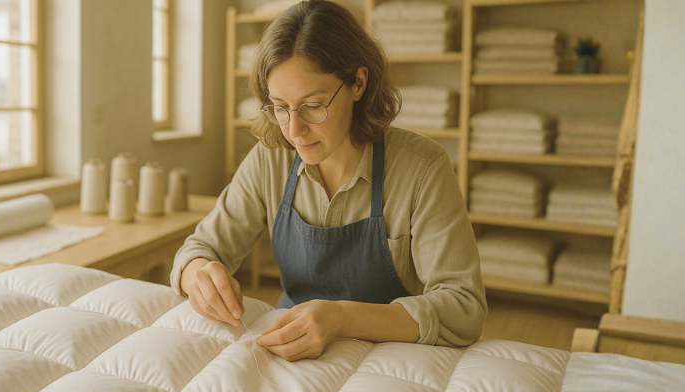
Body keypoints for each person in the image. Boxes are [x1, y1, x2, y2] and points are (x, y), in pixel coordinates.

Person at [170, 0, 486, 361]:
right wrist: (199, 275)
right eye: (280, 107)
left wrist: (342, 318)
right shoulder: (270, 158)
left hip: (394, 361)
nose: (294, 129)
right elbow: (197, 249)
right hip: (291, 358)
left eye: (313, 105)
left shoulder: (422, 169)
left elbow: (464, 307)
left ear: (359, 84)